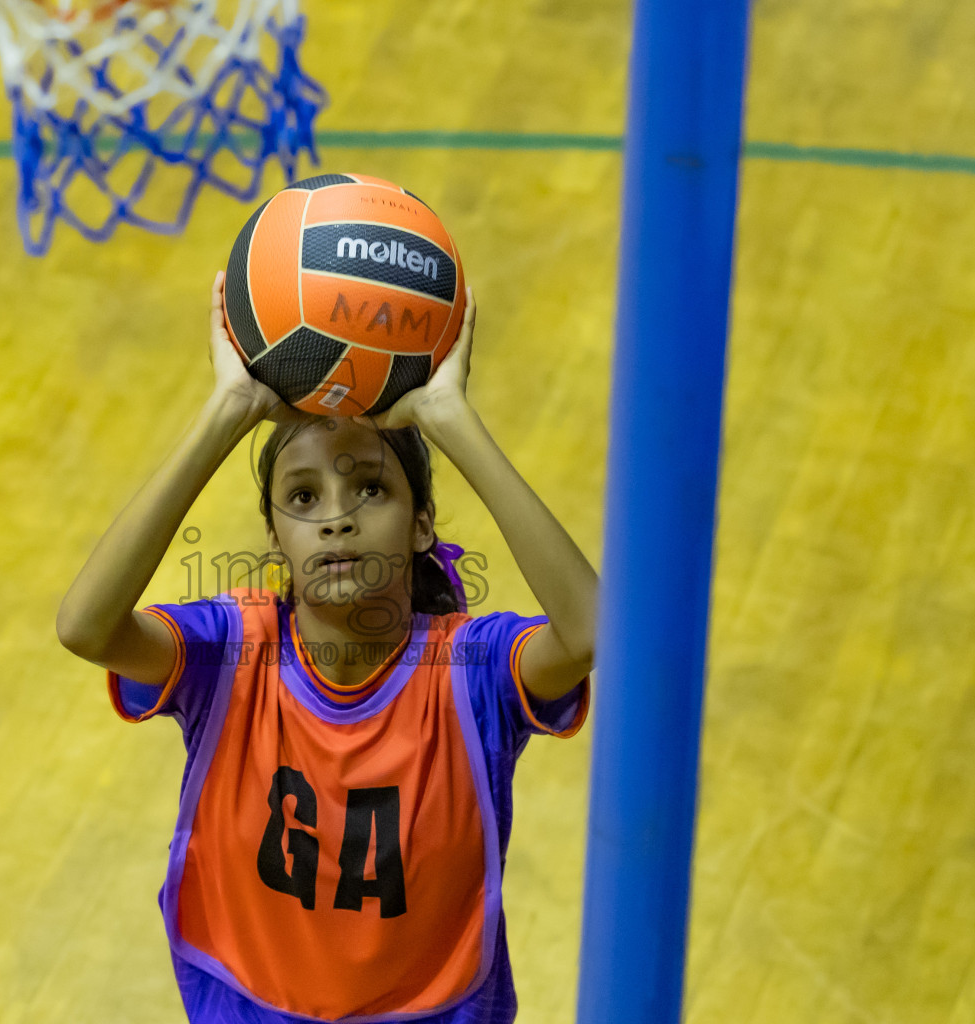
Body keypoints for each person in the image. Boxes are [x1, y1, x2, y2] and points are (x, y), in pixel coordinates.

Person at [56, 270, 600, 1023]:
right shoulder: (231, 651)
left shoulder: (472, 671)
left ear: (421, 526)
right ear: (276, 539)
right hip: (247, 1003)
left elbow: (594, 633)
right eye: (303, 498)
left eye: (370, 488)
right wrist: (229, 410)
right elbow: (86, 627)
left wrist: (448, 416)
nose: (336, 519)